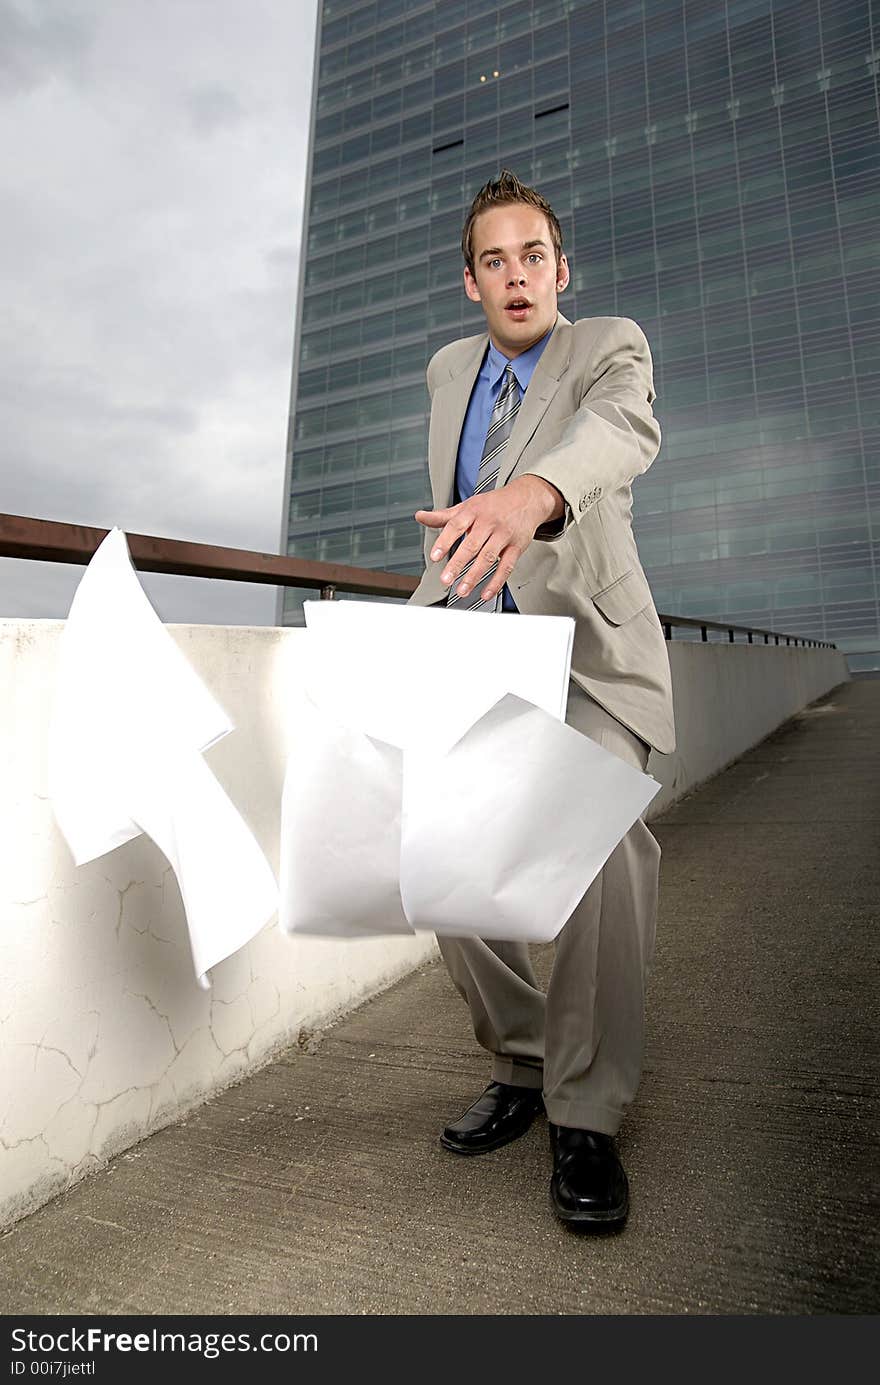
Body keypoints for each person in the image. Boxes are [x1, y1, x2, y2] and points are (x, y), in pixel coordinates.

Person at [408, 169, 675, 1230]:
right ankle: (523, 1060)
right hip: (473, 638)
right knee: (436, 847)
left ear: (561, 270)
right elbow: (450, 520)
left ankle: (588, 1110)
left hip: (588, 646)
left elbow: (621, 434)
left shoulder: (608, 343)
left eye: (532, 257)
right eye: (493, 260)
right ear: (468, 279)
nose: (514, 276)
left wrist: (532, 495)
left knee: (605, 848)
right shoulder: (445, 369)